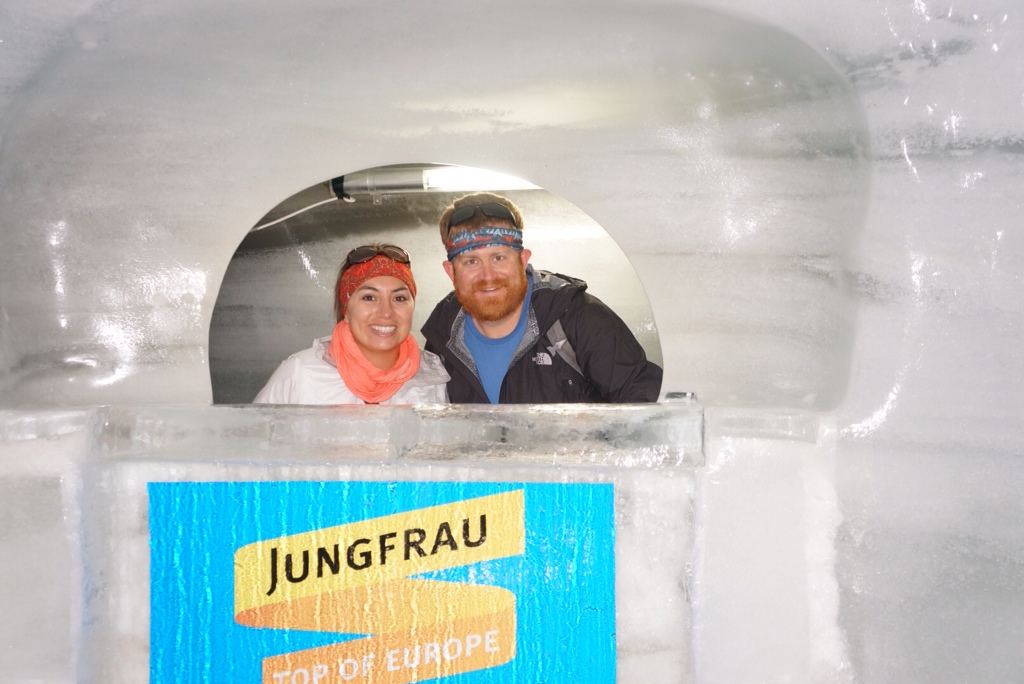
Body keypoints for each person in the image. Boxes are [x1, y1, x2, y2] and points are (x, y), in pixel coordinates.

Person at [421, 193, 662, 403]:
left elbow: (647, 406)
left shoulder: (578, 320)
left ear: (522, 260)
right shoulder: (441, 340)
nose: (488, 276)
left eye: (499, 258)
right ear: (451, 271)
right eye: (471, 261)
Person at [254, 244, 449, 404]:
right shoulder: (301, 373)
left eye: (399, 298)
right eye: (369, 297)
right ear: (346, 310)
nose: (386, 312)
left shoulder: (431, 377)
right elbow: (250, 436)